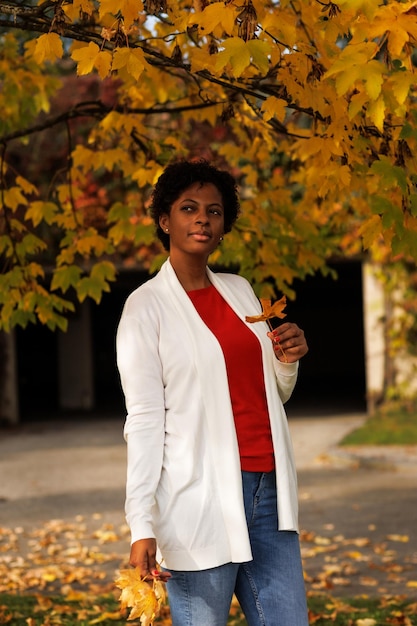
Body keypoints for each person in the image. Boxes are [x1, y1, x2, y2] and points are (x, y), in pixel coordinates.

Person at [116, 159, 310, 626]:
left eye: (214, 211)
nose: (202, 218)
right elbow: (144, 420)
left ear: (224, 226)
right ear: (165, 220)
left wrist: (286, 359)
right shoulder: (145, 308)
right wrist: (140, 522)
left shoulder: (241, 291)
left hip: (269, 493)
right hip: (197, 501)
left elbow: (272, 394)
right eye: (188, 208)